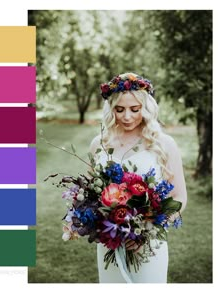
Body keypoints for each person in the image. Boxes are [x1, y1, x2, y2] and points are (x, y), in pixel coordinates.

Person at [90, 72, 187, 283]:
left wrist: (146, 232)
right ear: (110, 108)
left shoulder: (164, 144)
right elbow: (93, 195)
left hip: (149, 246)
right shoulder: (99, 144)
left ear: (147, 108)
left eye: (135, 109)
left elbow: (179, 196)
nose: (127, 117)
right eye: (119, 109)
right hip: (111, 242)